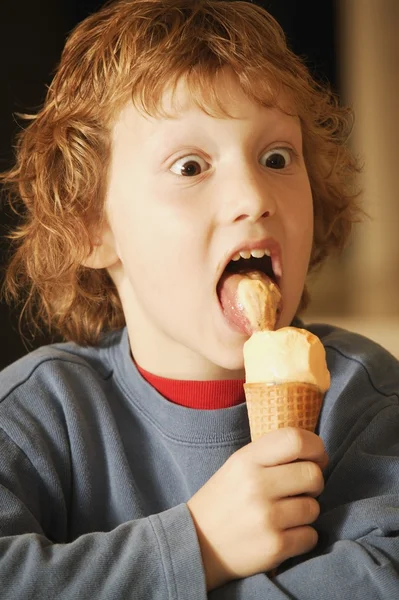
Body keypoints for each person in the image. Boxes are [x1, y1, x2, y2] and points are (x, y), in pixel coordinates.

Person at [1, 0, 398, 598]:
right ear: (89, 225)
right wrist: (198, 545)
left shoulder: (363, 398)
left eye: (276, 158)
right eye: (190, 166)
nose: (252, 196)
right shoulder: (36, 416)